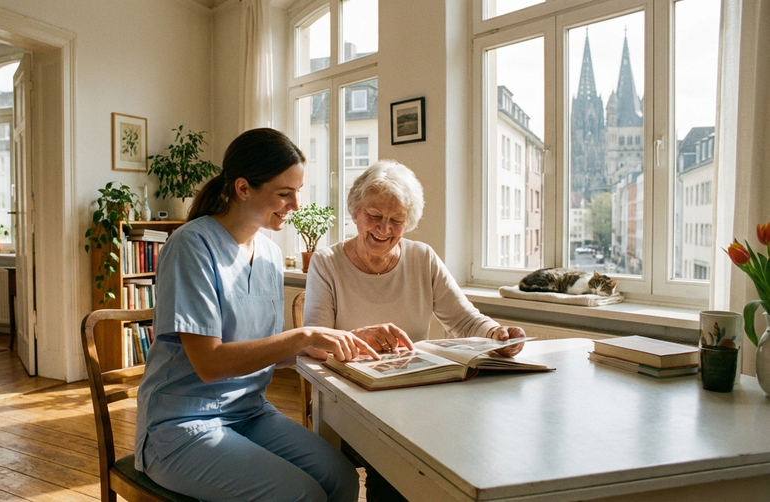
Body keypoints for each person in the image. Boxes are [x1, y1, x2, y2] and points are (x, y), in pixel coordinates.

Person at [135, 128, 378, 502]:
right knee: (301, 496)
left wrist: (340, 342)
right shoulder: (191, 246)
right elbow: (210, 364)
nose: (295, 204)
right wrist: (303, 336)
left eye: (298, 191)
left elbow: (261, 349)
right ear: (243, 188)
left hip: (248, 412)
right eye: (284, 193)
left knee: (342, 478)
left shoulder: (269, 254)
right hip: (181, 423)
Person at [303, 159, 527, 502]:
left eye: (397, 220)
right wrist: (358, 338)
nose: (384, 228)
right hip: (351, 399)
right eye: (374, 215)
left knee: (467, 448)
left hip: (415, 397)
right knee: (396, 464)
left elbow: (465, 320)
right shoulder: (327, 262)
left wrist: (498, 334)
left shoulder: (423, 257)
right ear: (355, 211)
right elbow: (313, 341)